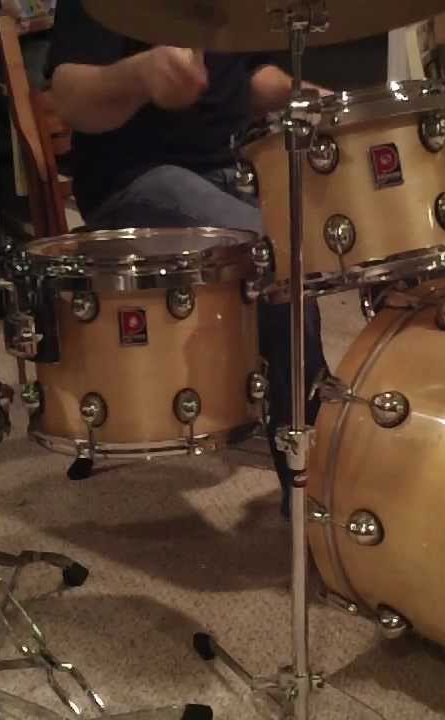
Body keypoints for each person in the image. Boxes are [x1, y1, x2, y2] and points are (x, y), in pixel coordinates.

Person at [45, 2, 328, 518]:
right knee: (278, 257)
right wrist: (140, 75)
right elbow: (68, 97)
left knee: (341, 237)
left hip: (234, 167)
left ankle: (363, 437)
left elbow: (244, 80)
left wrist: (305, 96)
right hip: (135, 179)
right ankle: (312, 484)